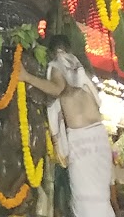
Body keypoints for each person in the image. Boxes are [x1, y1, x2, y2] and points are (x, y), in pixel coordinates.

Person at [20, 38, 113, 217]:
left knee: (86, 199)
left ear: (52, 52)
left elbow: (57, 89)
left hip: (82, 141)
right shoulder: (79, 69)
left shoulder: (57, 64)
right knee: (101, 197)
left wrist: (26, 77)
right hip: (99, 136)